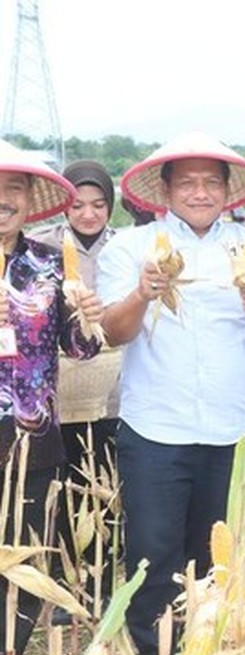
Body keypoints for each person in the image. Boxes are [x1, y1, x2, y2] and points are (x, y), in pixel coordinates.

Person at [98, 132, 245, 655]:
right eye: (188, 182)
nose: (201, 192)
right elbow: (113, 332)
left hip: (229, 429)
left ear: (229, 190)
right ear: (165, 189)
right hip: (156, 428)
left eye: (212, 182)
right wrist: (141, 293)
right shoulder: (130, 250)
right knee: (153, 551)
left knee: (215, 555)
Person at [0, 140, 104, 655]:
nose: (2, 199)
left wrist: (87, 313)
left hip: (32, 433)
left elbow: (82, 348)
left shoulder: (48, 262)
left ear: (28, 198)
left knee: (25, 552)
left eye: (13, 188)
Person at [29, 160, 121, 621]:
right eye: (79, 205)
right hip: (56, 392)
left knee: (102, 487)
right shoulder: (43, 249)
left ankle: (101, 584)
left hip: (110, 388)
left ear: (110, 206)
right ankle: (63, 585)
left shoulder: (125, 249)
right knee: (61, 494)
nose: (88, 214)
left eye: (98, 205)